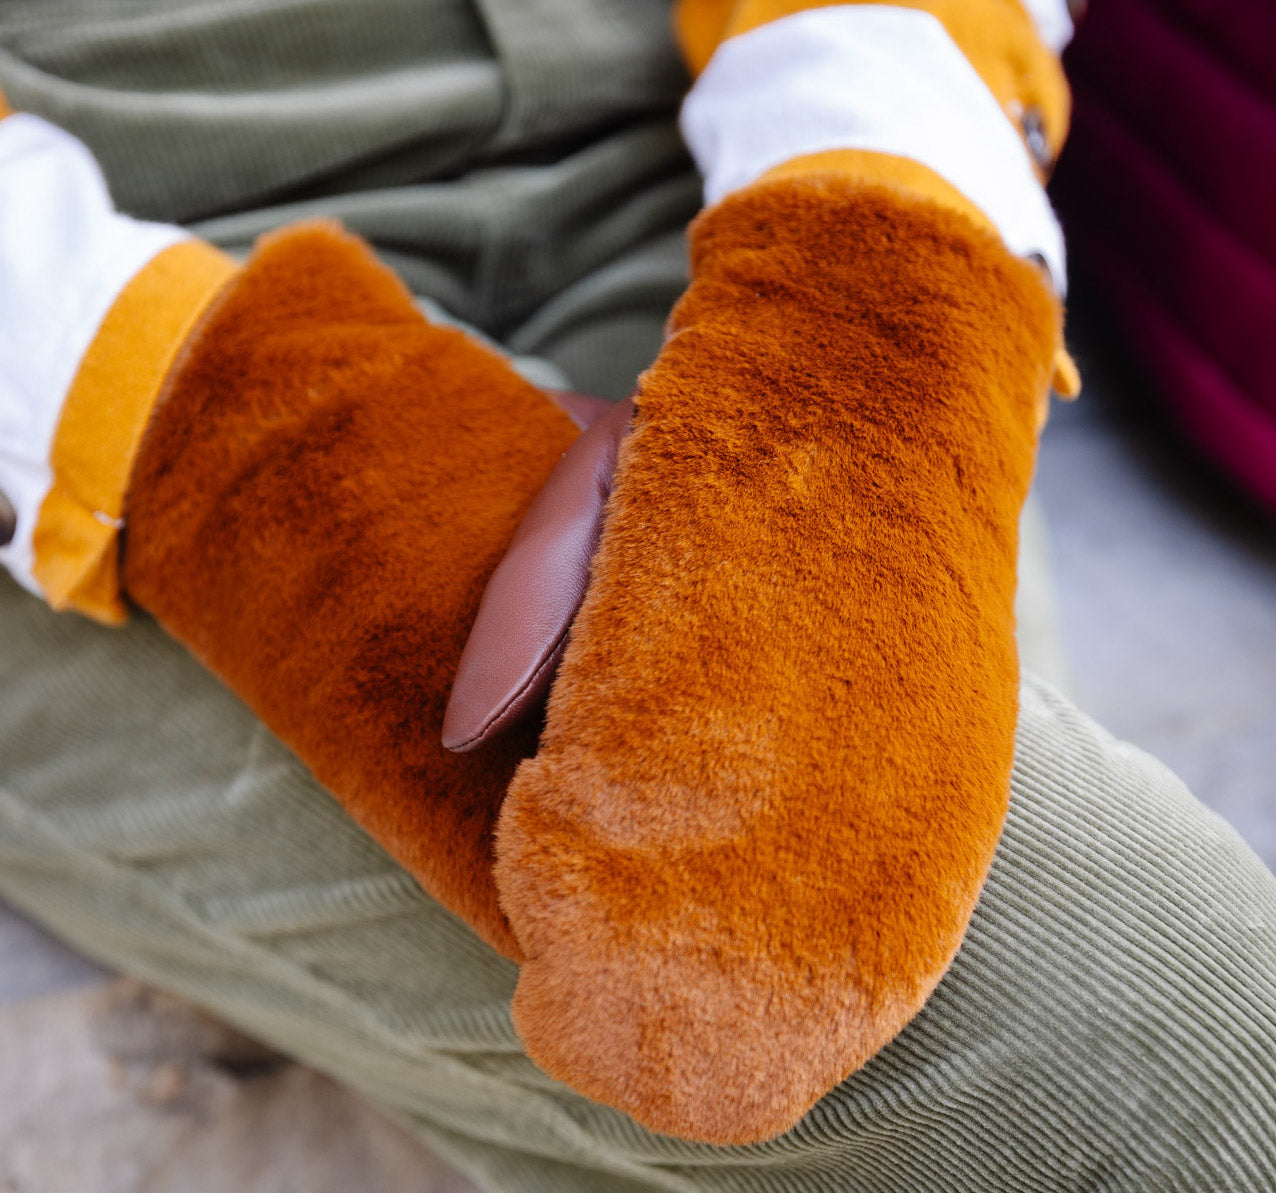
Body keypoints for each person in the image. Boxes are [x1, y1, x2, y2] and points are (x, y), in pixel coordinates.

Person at [1, 0, 1273, 1187]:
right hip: (94, 255)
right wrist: (237, 433)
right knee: (1127, 1028)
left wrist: (878, 241)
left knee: (916, 900)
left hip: (704, 137)